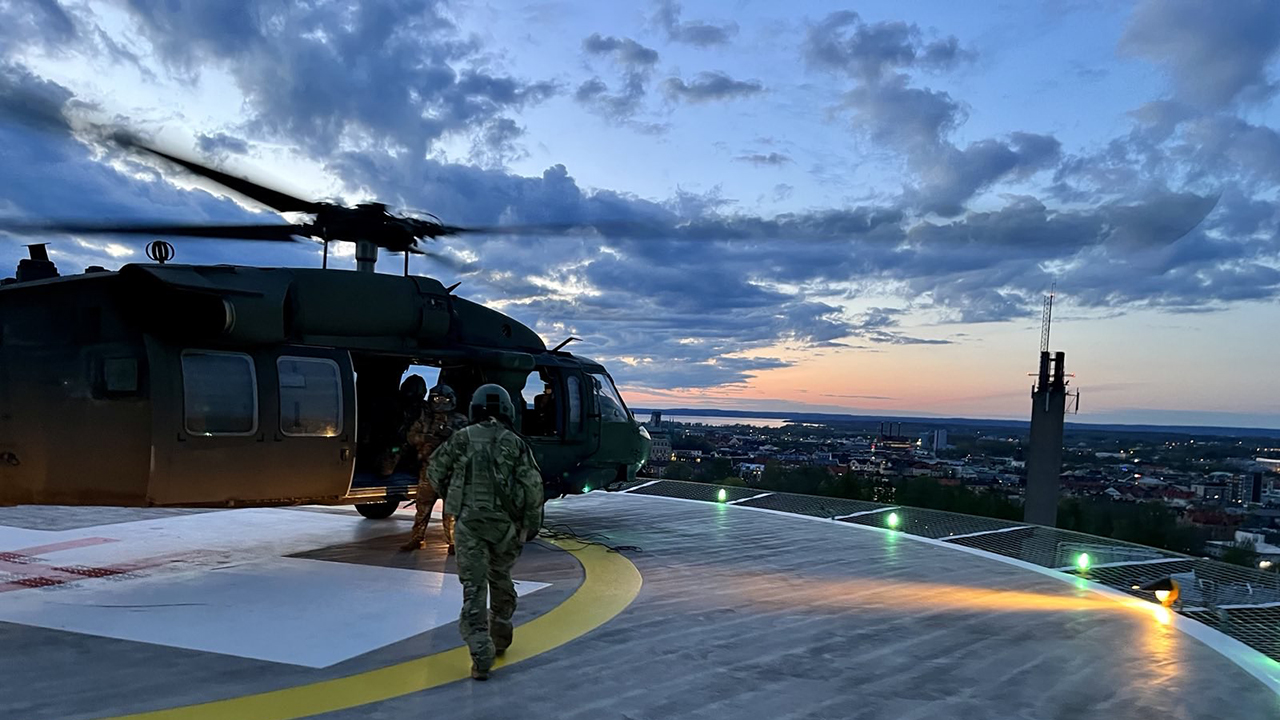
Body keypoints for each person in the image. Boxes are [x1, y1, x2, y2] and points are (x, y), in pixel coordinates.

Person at [427, 383, 544, 681]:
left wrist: (454, 495)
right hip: (504, 527)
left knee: (474, 588)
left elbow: (435, 470)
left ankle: (481, 652)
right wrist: (530, 524)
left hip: (469, 525)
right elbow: (533, 487)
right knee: (501, 577)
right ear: (507, 410)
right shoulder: (515, 443)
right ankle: (501, 631)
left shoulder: (461, 438)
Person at [400, 383, 468, 553]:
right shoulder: (424, 419)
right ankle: (417, 538)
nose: (439, 403)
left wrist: (450, 435)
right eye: (436, 398)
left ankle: (453, 542)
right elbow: (411, 437)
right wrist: (428, 438)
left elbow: (468, 444)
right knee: (422, 507)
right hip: (429, 469)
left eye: (443, 399)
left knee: (451, 510)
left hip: (452, 472)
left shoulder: (460, 420)